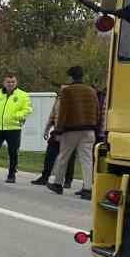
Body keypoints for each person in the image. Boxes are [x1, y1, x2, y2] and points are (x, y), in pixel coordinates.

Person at [49, 66, 100, 200]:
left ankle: (58, 184)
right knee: (87, 160)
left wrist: (58, 130)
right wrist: (96, 127)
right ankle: (88, 188)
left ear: (71, 77)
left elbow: (63, 113)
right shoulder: (91, 91)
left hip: (71, 130)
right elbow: (97, 110)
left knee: (63, 157)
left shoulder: (68, 91)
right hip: (89, 130)